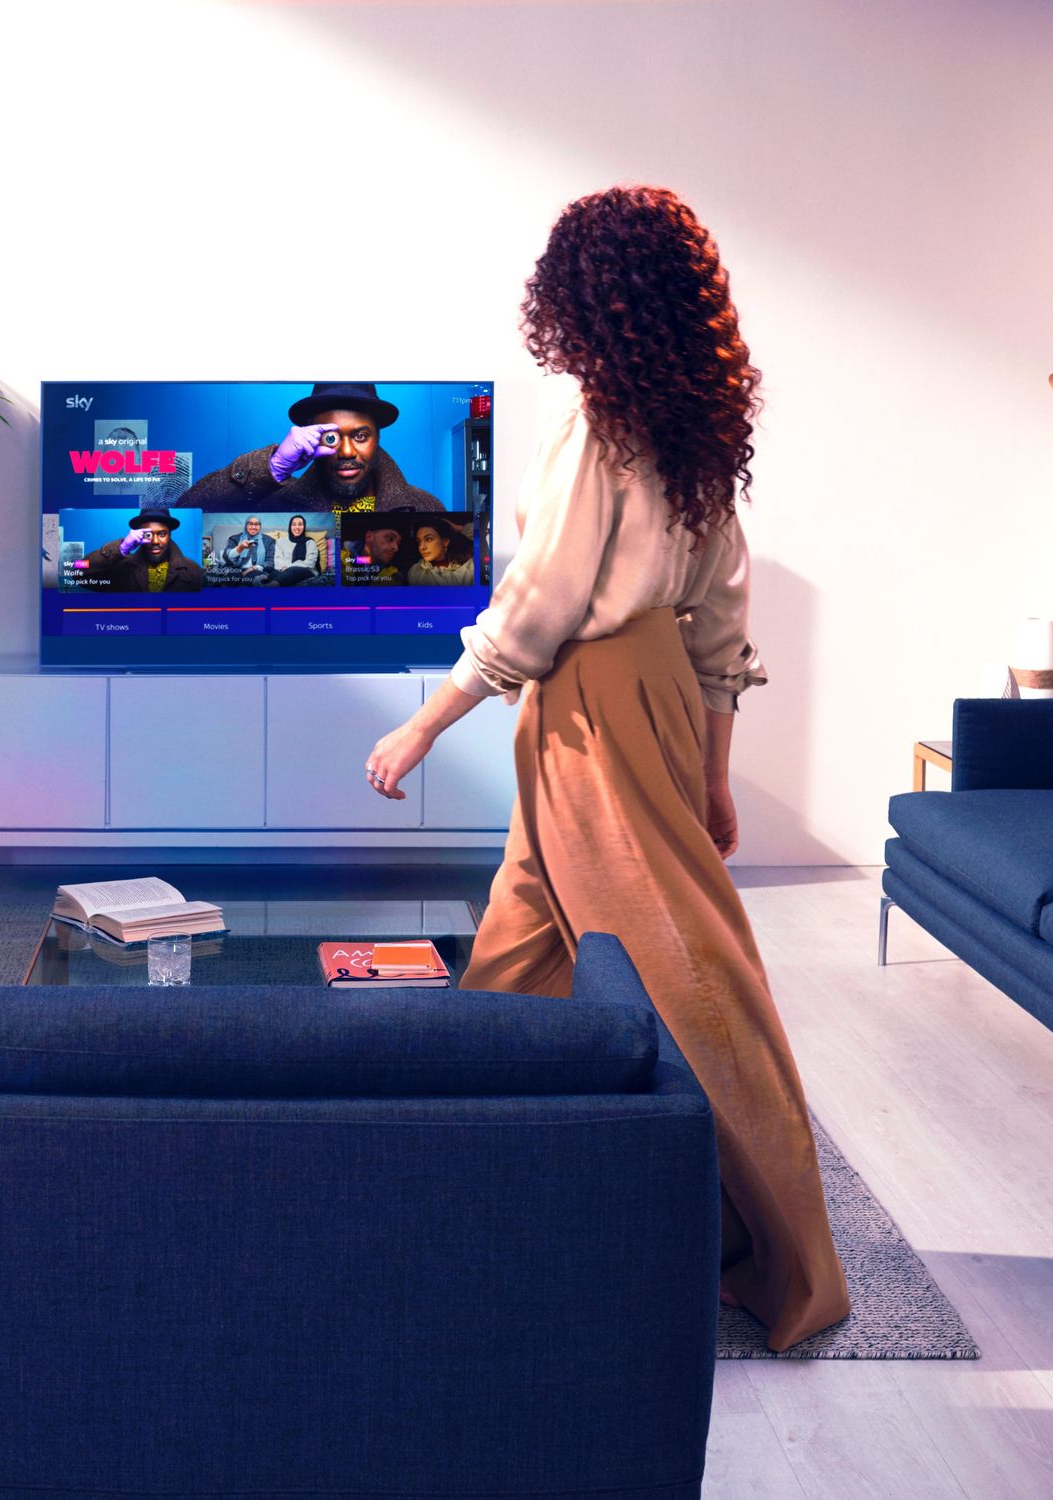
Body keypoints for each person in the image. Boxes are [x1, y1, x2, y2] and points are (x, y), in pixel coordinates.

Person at [359, 186, 850, 1352]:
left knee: (683, 969)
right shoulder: (696, 427)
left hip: (590, 701)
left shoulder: (595, 418)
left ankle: (788, 1260)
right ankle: (471, 1202)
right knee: (516, 949)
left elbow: (537, 605)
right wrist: (715, 769)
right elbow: (721, 626)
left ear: (580, 295)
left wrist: (420, 726)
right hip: (658, 702)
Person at [180, 383, 442, 513]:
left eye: (361, 436)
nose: (347, 452)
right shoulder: (273, 501)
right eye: (331, 437)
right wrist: (272, 467)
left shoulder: (424, 506)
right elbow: (185, 514)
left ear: (378, 437)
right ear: (311, 437)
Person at [81, 508, 204, 592]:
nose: (155, 541)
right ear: (138, 535)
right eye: (148, 535)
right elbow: (78, 572)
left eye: (162, 534)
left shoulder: (193, 570)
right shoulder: (121, 567)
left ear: (170, 535)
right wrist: (121, 548)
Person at [407, 518, 476, 585]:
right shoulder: (417, 572)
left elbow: (485, 533)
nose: (421, 547)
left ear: (445, 541)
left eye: (429, 539)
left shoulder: (468, 568)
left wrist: (459, 528)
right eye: (419, 542)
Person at [273, 514, 326, 585]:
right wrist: (285, 568)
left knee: (294, 570)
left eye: (300, 524)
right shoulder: (280, 541)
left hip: (307, 571)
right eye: (294, 524)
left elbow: (310, 563)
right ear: (290, 526)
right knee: (273, 573)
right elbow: (278, 560)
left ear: (304, 527)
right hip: (284, 570)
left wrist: (289, 567)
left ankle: (271, 586)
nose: (297, 527)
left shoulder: (310, 542)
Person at [221, 516, 276, 582]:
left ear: (260, 526)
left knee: (256, 578)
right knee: (230, 577)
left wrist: (253, 568)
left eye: (256, 524)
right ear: (246, 525)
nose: (253, 527)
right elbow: (226, 556)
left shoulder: (268, 540)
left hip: (255, 571)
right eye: (250, 524)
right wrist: (240, 547)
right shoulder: (235, 538)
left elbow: (270, 562)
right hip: (235, 569)